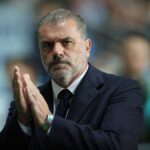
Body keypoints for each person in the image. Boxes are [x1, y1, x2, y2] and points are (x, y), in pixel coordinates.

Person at [0, 8, 143, 150]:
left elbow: (119, 145)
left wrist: (49, 122)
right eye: (47, 45)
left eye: (66, 42)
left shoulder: (122, 90)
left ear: (87, 48)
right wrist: (22, 121)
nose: (57, 51)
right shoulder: (29, 100)